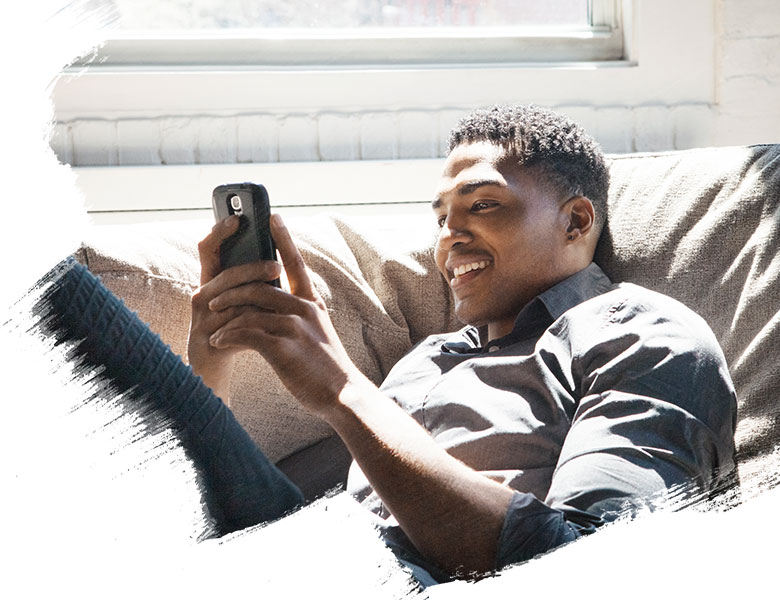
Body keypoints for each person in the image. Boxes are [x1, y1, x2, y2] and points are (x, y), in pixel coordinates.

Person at [41, 105, 737, 586]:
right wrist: (210, 362)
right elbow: (228, 508)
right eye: (440, 218)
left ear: (577, 221)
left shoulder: (641, 332)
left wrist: (343, 392)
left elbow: (597, 567)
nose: (450, 237)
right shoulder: (429, 360)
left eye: (482, 205)